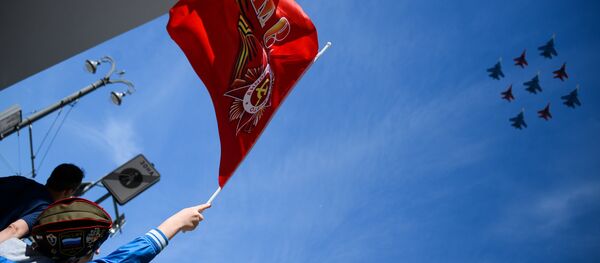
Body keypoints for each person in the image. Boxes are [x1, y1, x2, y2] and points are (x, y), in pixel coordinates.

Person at [0, 197, 211, 263]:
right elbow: (131, 255)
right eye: (92, 250)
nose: (97, 253)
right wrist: (179, 221)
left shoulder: (6, 246)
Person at [0, 164, 84, 244]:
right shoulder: (45, 211)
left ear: (49, 178)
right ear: (68, 191)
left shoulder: (19, 180)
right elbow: (15, 229)